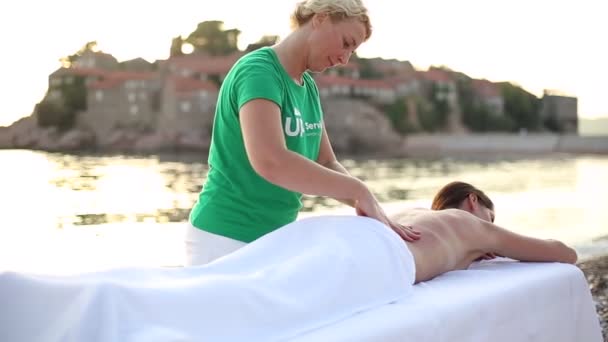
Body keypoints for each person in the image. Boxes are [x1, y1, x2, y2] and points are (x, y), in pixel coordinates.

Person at [185, 0, 419, 266]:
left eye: (352, 51)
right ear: (321, 18)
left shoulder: (307, 86)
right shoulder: (259, 72)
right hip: (224, 238)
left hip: (273, 241)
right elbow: (269, 160)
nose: (344, 59)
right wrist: (358, 189)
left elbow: (326, 161)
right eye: (345, 42)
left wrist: (374, 208)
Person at [390, 181, 577, 283]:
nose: (491, 224)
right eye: (491, 217)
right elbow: (565, 253)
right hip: (390, 259)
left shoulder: (413, 212)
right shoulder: (470, 224)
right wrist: (497, 244)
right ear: (473, 200)